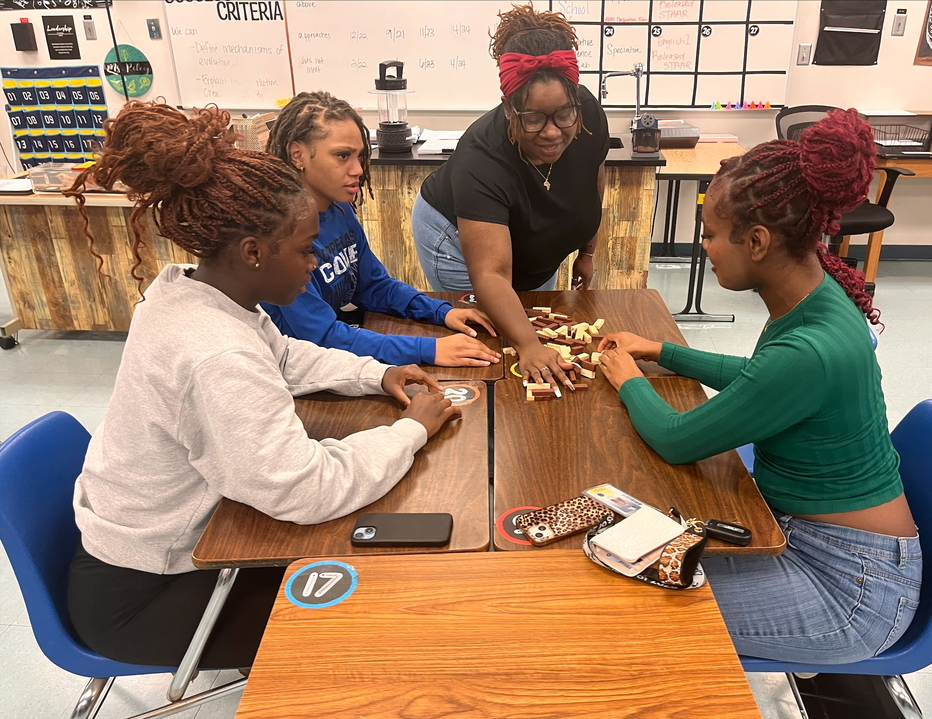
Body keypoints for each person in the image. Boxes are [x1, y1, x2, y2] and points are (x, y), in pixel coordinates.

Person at [62, 102, 460, 669]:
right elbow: (308, 489)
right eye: (304, 250)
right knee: (386, 614)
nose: (313, 264)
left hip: (166, 550)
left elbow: (285, 356)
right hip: (147, 591)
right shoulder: (215, 353)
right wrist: (410, 431)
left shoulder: (195, 291)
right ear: (253, 252)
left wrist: (377, 373)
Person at [597, 109, 922, 665]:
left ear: (756, 240)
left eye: (710, 234)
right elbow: (762, 379)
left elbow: (675, 438)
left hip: (850, 588)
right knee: (633, 556)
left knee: (628, 607)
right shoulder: (814, 296)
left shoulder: (809, 350)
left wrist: (629, 380)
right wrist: (662, 351)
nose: (705, 247)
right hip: (809, 536)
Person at [412, 4, 609, 392]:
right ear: (509, 108)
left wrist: (587, 252)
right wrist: (528, 346)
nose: (552, 132)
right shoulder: (480, 159)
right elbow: (490, 274)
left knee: (531, 319)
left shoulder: (586, 113)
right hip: (454, 237)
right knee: (491, 345)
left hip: (532, 236)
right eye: (533, 118)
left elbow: (593, 183)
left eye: (563, 115)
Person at [263, 91, 501, 369]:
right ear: (297, 154)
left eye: (359, 156)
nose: (357, 169)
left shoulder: (341, 210)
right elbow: (321, 338)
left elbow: (374, 286)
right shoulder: (278, 237)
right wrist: (427, 348)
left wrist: (441, 312)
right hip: (290, 369)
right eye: (342, 156)